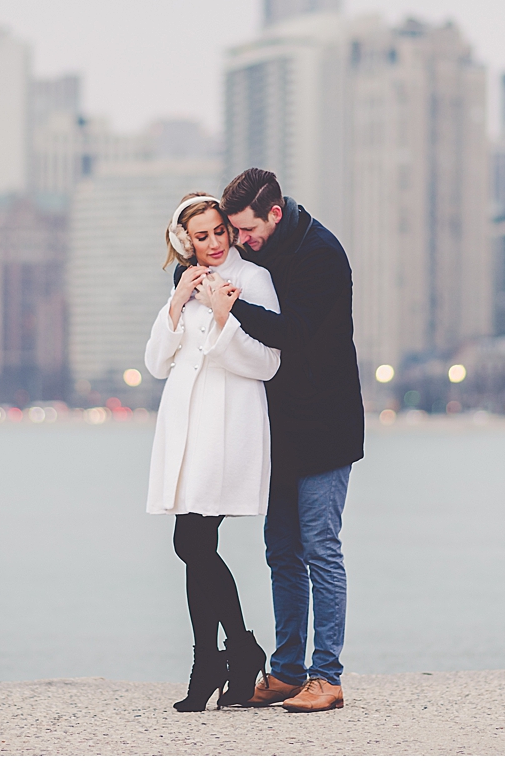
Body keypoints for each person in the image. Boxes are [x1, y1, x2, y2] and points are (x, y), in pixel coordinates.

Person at [219, 168, 363, 714]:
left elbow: (293, 331)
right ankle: (286, 672)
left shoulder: (322, 254)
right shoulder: (257, 250)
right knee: (281, 550)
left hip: (326, 423)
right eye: (236, 232)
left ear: (274, 214)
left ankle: (327, 677)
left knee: (320, 548)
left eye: (247, 231)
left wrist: (232, 308)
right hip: (278, 426)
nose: (241, 241)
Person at [144, 192, 282, 712]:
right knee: (192, 544)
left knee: (192, 541)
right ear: (186, 241)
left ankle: (227, 657)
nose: (213, 244)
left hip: (229, 424)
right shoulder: (185, 283)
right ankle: (224, 658)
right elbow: (158, 362)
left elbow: (267, 363)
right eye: (200, 237)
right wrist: (178, 304)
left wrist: (226, 319)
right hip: (185, 425)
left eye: (219, 232)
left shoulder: (254, 280)